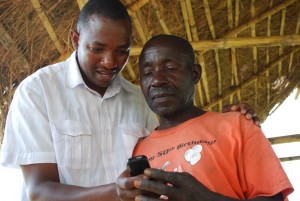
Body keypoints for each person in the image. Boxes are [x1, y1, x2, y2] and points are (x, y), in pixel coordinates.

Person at [0, 0, 259, 200]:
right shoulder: (38, 92)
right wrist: (115, 192)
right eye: (97, 49)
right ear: (76, 39)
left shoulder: (138, 99)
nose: (110, 62)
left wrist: (226, 122)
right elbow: (39, 192)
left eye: (121, 51)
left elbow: (172, 147)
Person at [116, 34, 294, 201]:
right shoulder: (138, 150)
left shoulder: (237, 126)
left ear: (195, 74)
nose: (157, 80)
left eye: (169, 68)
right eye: (147, 73)